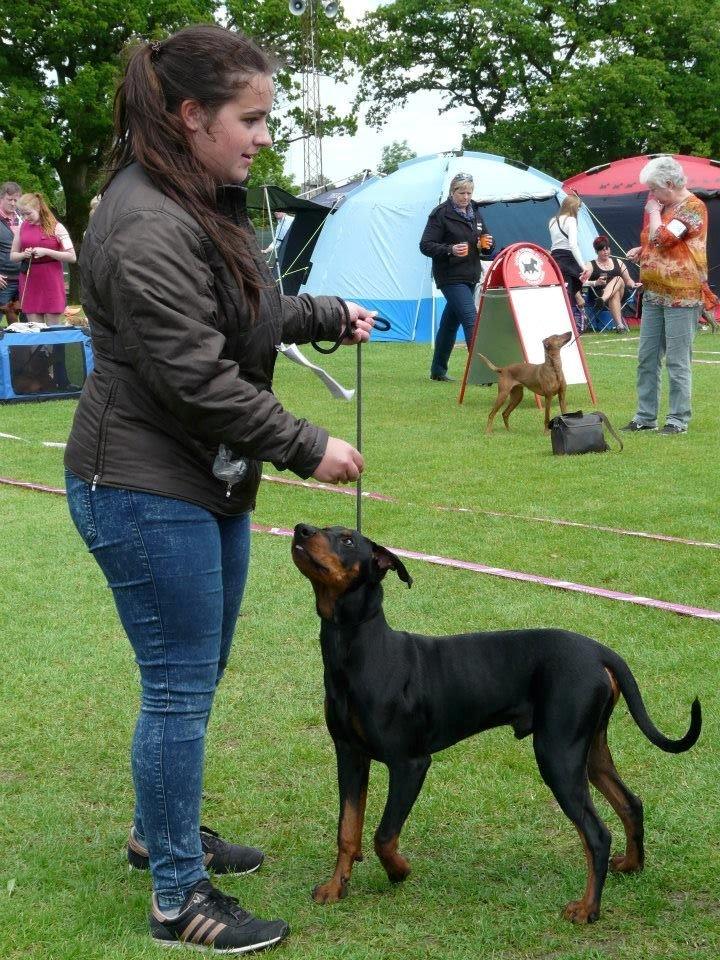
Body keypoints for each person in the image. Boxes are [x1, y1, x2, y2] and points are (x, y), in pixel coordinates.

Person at [63, 24, 376, 954]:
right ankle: (175, 896)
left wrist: (325, 312)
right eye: (251, 118)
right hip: (144, 487)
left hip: (201, 483)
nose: (264, 136)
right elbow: (195, 375)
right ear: (191, 117)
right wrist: (304, 443)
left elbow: (239, 300)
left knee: (188, 683)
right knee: (177, 690)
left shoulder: (196, 195)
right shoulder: (145, 221)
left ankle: (157, 828)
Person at [622, 156, 707, 435]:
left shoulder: (693, 208)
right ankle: (645, 417)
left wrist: (654, 213)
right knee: (647, 357)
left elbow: (664, 238)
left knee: (677, 360)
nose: (652, 196)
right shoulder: (665, 207)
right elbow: (656, 245)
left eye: (655, 190)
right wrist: (641, 249)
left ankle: (677, 419)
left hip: (682, 297)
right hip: (654, 294)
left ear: (670, 184)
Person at [420, 172, 495, 381]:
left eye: (469, 193)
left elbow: (485, 242)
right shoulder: (440, 214)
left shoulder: (475, 213)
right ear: (452, 191)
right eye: (461, 192)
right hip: (450, 276)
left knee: (449, 324)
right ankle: (482, 373)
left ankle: (437, 371)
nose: (466, 197)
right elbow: (425, 245)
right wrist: (450, 249)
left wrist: (487, 244)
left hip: (471, 274)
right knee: (471, 319)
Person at [10, 192, 76, 324]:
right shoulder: (22, 227)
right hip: (29, 281)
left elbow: (72, 257)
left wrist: (46, 251)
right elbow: (13, 256)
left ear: (38, 208)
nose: (25, 217)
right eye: (22, 214)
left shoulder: (57, 227)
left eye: (28, 213)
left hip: (51, 280)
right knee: (34, 330)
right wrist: (24, 254)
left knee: (53, 330)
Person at [548, 195, 591, 330]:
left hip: (555, 259)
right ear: (573, 207)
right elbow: (573, 245)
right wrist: (583, 266)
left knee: (561, 294)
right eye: (577, 208)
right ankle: (567, 326)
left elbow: (555, 243)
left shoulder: (552, 221)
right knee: (570, 294)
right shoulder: (571, 220)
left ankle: (560, 325)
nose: (578, 211)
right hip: (567, 258)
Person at [586, 235, 641, 333]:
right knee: (614, 294)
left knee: (618, 279)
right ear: (596, 251)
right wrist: (595, 282)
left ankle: (603, 300)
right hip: (599, 294)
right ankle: (620, 326)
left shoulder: (618, 262)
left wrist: (633, 285)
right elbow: (582, 282)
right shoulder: (590, 265)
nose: (606, 252)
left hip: (619, 294)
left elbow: (628, 280)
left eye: (607, 249)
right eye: (602, 250)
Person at [0, 181, 22, 325]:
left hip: (23, 279)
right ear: (1, 198)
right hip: (3, 281)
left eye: (16, 200)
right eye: (10, 199)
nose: (13, 203)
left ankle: (30, 349)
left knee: (29, 324)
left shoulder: (24, 218)